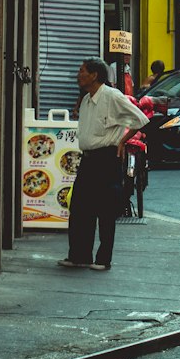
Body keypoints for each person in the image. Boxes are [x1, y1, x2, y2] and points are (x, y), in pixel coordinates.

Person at [60, 58, 148, 271]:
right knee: (80, 207)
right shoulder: (88, 99)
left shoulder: (112, 96)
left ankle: (103, 258)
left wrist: (122, 141)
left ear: (94, 75)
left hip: (106, 158)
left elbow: (140, 119)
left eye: (82, 71)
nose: (78, 75)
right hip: (88, 158)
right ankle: (79, 255)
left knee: (105, 209)